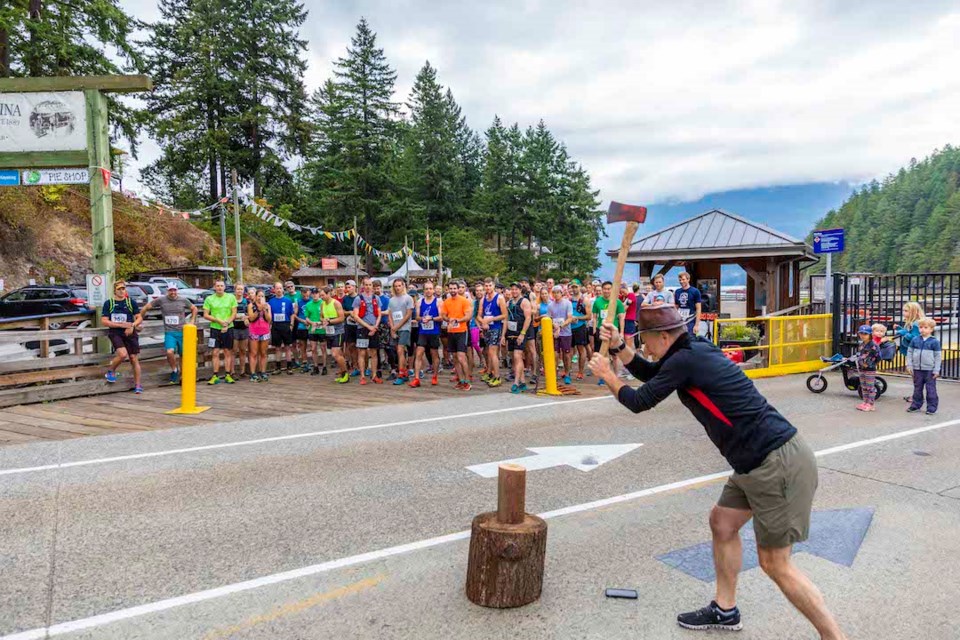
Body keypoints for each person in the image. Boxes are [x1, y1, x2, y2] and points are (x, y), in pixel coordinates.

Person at [589, 305, 846, 639]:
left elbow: (640, 401)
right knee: (722, 523)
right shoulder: (690, 350)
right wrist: (619, 348)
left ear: (663, 336)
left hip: (774, 462)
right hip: (754, 462)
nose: (645, 347)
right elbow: (653, 375)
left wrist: (608, 375)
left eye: (645, 340)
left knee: (775, 564)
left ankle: (833, 636)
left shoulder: (686, 358)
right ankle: (725, 610)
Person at [138, 284, 197, 384]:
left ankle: (183, 376)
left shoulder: (183, 300)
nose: (173, 293)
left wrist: (192, 321)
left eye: (174, 290)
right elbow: (145, 308)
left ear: (177, 291)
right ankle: (174, 370)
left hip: (182, 331)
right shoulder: (161, 300)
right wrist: (139, 321)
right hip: (170, 332)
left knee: (183, 355)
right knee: (170, 352)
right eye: (170, 291)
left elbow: (194, 308)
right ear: (167, 291)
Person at [102, 280, 144, 393]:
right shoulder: (109, 303)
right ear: (114, 291)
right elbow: (104, 321)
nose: (121, 291)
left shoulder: (131, 302)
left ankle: (138, 385)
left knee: (133, 358)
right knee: (122, 354)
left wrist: (133, 325)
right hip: (116, 332)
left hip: (130, 332)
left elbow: (139, 317)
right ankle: (111, 370)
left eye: (123, 289)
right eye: (119, 289)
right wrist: (120, 325)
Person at [202, 279, 237, 385]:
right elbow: (206, 314)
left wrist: (227, 323)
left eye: (221, 286)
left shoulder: (231, 297)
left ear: (225, 287)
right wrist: (218, 320)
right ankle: (215, 375)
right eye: (217, 286)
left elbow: (234, 313)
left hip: (228, 328)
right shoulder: (209, 299)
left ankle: (227, 374)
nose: (220, 288)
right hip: (215, 329)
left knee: (227, 351)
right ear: (214, 287)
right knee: (215, 352)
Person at [590, 281, 625, 385]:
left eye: (609, 289)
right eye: (605, 288)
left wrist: (621, 332)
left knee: (615, 355)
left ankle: (616, 375)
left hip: (613, 332)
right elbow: (595, 317)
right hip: (601, 331)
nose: (606, 291)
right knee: (603, 355)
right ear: (602, 289)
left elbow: (621, 318)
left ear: (612, 290)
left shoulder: (617, 302)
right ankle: (603, 377)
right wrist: (594, 330)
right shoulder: (597, 301)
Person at [410, 281, 442, 388]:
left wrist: (431, 318)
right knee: (419, 353)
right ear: (423, 291)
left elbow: (442, 317)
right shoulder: (420, 302)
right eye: (426, 289)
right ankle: (417, 378)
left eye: (430, 288)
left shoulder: (438, 302)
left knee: (434, 354)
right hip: (423, 331)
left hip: (434, 332)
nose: (428, 291)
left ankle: (435, 376)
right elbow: (417, 317)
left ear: (433, 290)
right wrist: (422, 319)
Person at [906, 317, 941, 415]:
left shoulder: (934, 342)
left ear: (931, 329)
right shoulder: (915, 340)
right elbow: (910, 352)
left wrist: (936, 370)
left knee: (931, 389)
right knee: (917, 388)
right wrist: (909, 365)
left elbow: (938, 356)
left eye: (925, 327)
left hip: (929, 370)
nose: (922, 329)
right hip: (917, 369)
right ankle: (916, 405)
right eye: (921, 327)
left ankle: (931, 407)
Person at [442, 281, 472, 390]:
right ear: (448, 289)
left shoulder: (464, 301)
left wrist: (457, 320)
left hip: (462, 331)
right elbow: (444, 315)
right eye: (451, 288)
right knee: (455, 358)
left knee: (461, 357)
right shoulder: (446, 302)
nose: (453, 290)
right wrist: (448, 319)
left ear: (458, 289)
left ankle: (468, 380)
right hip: (451, 332)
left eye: (455, 288)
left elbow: (468, 316)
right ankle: (461, 380)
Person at [478, 277, 508, 387]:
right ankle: (490, 372)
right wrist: (483, 322)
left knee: (493, 352)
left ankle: (497, 376)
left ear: (494, 286)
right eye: (486, 286)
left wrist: (491, 319)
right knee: (488, 352)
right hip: (487, 328)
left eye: (490, 285)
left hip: (496, 327)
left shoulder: (499, 298)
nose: (488, 288)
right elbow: (479, 315)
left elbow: (504, 315)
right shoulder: (483, 299)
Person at [352, 278, 383, 385]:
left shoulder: (377, 298)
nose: (368, 287)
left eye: (370, 285)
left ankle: (374, 375)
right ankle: (363, 376)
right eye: (366, 285)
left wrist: (375, 327)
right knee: (362, 352)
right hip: (362, 328)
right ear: (363, 286)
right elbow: (355, 316)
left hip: (374, 327)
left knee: (374, 352)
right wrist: (368, 327)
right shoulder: (358, 299)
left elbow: (379, 314)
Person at [894, 301, 925, 403]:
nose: (903, 313)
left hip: (914, 353)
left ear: (913, 312)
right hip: (912, 352)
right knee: (914, 375)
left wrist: (904, 332)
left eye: (906, 311)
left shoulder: (916, 324)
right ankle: (917, 395)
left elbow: (915, 339)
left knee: (915, 375)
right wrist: (900, 329)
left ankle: (917, 396)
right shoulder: (912, 323)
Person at [506, 282, 533, 393]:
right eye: (512, 289)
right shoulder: (510, 302)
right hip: (511, 332)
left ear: (520, 290)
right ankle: (522, 382)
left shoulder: (525, 301)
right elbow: (506, 318)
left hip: (520, 332)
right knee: (514, 357)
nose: (514, 291)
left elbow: (528, 318)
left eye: (516, 289)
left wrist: (522, 333)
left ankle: (516, 382)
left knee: (518, 356)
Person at [318, 286, 349, 383]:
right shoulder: (322, 304)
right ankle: (341, 371)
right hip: (329, 331)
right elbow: (321, 317)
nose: (321, 297)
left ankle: (345, 374)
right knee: (337, 354)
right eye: (320, 295)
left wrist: (329, 321)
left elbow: (341, 318)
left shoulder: (336, 303)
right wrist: (323, 320)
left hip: (338, 331)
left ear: (328, 294)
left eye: (323, 295)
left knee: (335, 354)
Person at [388, 278, 415, 385]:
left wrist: (397, 326)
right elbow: (390, 314)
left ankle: (401, 373)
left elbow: (408, 315)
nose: (398, 288)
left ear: (403, 286)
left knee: (400, 349)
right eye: (396, 286)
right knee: (398, 351)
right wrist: (392, 328)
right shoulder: (391, 300)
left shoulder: (408, 298)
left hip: (404, 328)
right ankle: (404, 373)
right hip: (395, 328)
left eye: (399, 285)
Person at [268, 282, 297, 374]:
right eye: (277, 288)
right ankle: (278, 367)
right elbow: (268, 315)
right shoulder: (271, 301)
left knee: (288, 347)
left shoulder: (288, 301)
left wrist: (291, 324)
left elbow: (292, 314)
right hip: (275, 325)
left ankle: (289, 367)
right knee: (277, 347)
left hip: (286, 324)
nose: (279, 290)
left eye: (280, 288)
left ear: (283, 289)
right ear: (274, 290)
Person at [548, 285, 574, 385]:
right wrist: (554, 326)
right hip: (555, 333)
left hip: (566, 333)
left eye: (558, 292)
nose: (556, 294)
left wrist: (560, 326)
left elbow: (570, 318)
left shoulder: (567, 303)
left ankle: (567, 374)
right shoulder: (550, 305)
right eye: (554, 292)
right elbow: (549, 318)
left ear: (561, 293)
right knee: (555, 355)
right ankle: (554, 374)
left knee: (566, 355)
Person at [246, 289, 272, 381]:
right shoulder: (251, 306)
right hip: (254, 331)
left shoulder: (268, 305)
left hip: (265, 330)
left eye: (262, 296)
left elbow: (269, 319)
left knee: (263, 353)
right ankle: (253, 373)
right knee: (253, 353)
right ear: (255, 296)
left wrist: (264, 310)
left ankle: (263, 371)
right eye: (259, 296)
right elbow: (251, 318)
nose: (260, 298)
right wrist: (258, 310)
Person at [854, 324, 880, 412]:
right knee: (863, 386)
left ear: (870, 335)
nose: (862, 336)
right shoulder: (861, 345)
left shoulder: (873, 346)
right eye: (861, 333)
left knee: (870, 387)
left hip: (870, 369)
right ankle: (865, 402)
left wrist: (870, 364)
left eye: (865, 334)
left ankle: (871, 404)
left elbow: (878, 356)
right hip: (861, 368)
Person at [301, 288, 326, 375]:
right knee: (313, 348)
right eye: (313, 293)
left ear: (319, 294)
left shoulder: (323, 303)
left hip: (322, 329)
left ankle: (324, 366)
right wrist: (312, 323)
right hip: (313, 329)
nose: (315, 295)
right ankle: (315, 366)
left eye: (316, 293)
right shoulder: (308, 304)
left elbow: (326, 316)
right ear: (311, 294)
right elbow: (307, 317)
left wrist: (320, 323)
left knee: (323, 348)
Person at [569, 281, 590, 380]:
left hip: (580, 327)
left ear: (580, 287)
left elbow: (589, 316)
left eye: (576, 287)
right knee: (568, 350)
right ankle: (567, 370)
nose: (574, 289)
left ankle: (580, 372)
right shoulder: (569, 299)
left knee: (581, 349)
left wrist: (577, 318)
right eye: (572, 287)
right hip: (569, 327)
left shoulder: (584, 300)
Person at [231, 284, 251, 378]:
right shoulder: (231, 300)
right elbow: (229, 313)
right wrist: (239, 316)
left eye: (241, 289)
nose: (240, 291)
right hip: (234, 327)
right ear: (235, 290)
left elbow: (250, 313)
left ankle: (242, 371)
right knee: (233, 350)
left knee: (243, 350)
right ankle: (232, 371)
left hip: (244, 327)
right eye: (238, 289)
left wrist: (246, 317)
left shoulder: (246, 301)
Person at [675, 272, 702, 336]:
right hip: (680, 320)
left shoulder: (695, 291)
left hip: (691, 319)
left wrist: (697, 325)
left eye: (683, 279)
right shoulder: (677, 291)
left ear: (688, 279)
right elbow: (676, 307)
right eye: (680, 280)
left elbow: (698, 308)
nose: (681, 281)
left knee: (690, 339)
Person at [342, 279, 359, 376]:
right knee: (351, 346)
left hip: (359, 324)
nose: (348, 289)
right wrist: (349, 312)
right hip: (349, 324)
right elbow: (343, 311)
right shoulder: (345, 299)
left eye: (349, 287)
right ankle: (355, 366)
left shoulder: (360, 297)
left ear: (354, 287)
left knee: (361, 347)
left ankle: (364, 367)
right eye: (347, 287)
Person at [619, 282, 638, 351]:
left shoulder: (631, 295)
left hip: (629, 319)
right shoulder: (622, 297)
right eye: (620, 292)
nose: (622, 293)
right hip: (622, 320)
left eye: (623, 291)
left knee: (628, 340)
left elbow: (624, 309)